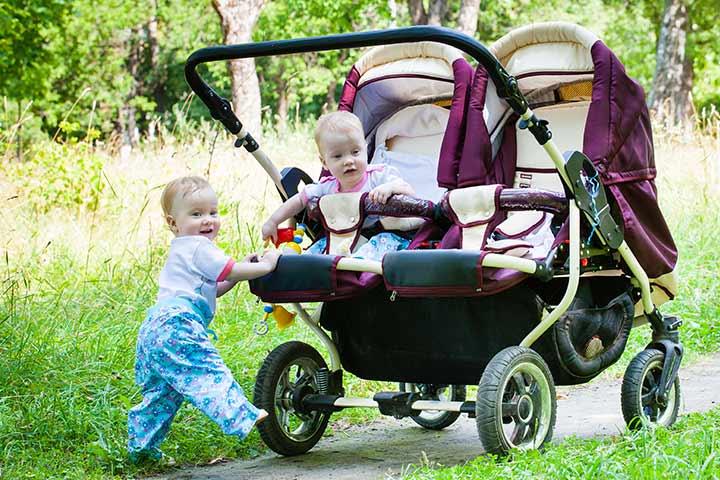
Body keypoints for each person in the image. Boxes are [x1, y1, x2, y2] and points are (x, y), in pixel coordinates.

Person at [128, 176, 279, 463]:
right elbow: (229, 271)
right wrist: (266, 266)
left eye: (212, 212)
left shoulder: (182, 249)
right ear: (173, 223)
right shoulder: (198, 246)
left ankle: (141, 449)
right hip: (179, 325)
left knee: (161, 396)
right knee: (207, 371)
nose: (207, 220)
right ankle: (240, 414)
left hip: (156, 327)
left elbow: (215, 284)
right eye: (196, 214)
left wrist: (239, 270)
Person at [262, 111, 415, 260]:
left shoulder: (379, 176)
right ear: (324, 163)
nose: (348, 160)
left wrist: (390, 188)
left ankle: (356, 265)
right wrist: (273, 221)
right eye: (338, 156)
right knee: (316, 253)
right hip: (341, 238)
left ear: (365, 149)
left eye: (355, 152)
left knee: (381, 245)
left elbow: (409, 192)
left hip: (378, 235)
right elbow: (299, 200)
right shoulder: (327, 187)